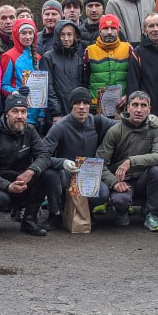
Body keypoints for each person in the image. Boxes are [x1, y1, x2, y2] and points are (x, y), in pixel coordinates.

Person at [0, 94, 53, 236]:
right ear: (6, 114)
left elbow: (44, 155)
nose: (19, 116)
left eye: (23, 112)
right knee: (0, 199)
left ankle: (29, 220)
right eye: (15, 111)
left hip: (21, 178)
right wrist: (7, 186)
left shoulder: (30, 130)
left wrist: (31, 170)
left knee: (47, 174)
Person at [41, 87, 113, 229]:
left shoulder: (98, 122)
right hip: (66, 173)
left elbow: (123, 126)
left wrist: (148, 120)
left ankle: (85, 211)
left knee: (103, 193)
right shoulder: (60, 127)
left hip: (89, 174)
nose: (81, 107)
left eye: (85, 103)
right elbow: (42, 155)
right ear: (71, 106)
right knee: (50, 174)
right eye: (77, 103)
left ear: (89, 106)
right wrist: (62, 163)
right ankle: (55, 213)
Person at [96, 90, 158, 230]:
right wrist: (114, 182)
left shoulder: (155, 130)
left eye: (143, 105)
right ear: (128, 107)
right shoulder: (115, 131)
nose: (139, 110)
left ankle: (151, 213)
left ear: (149, 109)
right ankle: (121, 212)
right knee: (120, 201)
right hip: (123, 181)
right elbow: (100, 164)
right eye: (135, 105)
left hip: (143, 180)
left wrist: (131, 161)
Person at [84, 14, 132, 116]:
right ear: (100, 31)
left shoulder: (128, 49)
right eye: (105, 28)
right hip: (96, 108)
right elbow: (84, 80)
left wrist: (128, 95)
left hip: (122, 106)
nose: (109, 32)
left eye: (113, 28)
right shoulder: (89, 51)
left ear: (118, 31)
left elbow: (134, 78)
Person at [0, 17, 45, 127]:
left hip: (36, 115)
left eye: (30, 33)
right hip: (18, 114)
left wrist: (42, 114)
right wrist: (16, 92)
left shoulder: (38, 57)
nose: (28, 37)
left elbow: (42, 88)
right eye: (23, 33)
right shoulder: (9, 56)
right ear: (16, 34)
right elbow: (3, 86)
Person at [41, 19, 85, 122]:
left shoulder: (78, 59)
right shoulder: (48, 57)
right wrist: (56, 112)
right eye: (62, 35)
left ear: (74, 37)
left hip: (75, 111)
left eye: (69, 35)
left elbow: (81, 87)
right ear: (57, 36)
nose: (66, 39)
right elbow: (48, 87)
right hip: (56, 114)